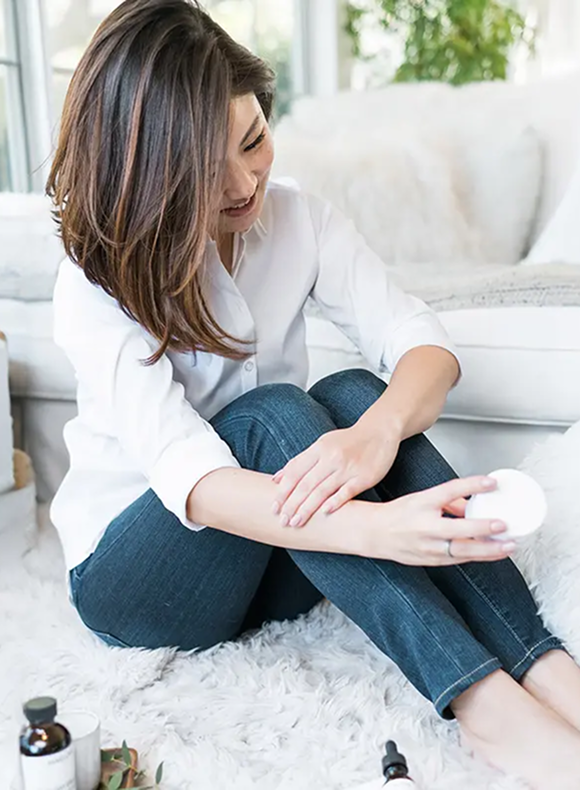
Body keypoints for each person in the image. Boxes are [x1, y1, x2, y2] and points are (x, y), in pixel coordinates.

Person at [47, 1, 580, 787]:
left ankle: (545, 667)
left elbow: (425, 348)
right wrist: (373, 528)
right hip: (143, 582)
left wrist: (376, 435)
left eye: (254, 140)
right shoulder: (93, 284)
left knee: (361, 392)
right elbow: (195, 480)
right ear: (154, 176)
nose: (244, 183)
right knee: (272, 417)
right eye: (206, 170)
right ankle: (484, 706)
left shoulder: (297, 216)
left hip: (273, 551)